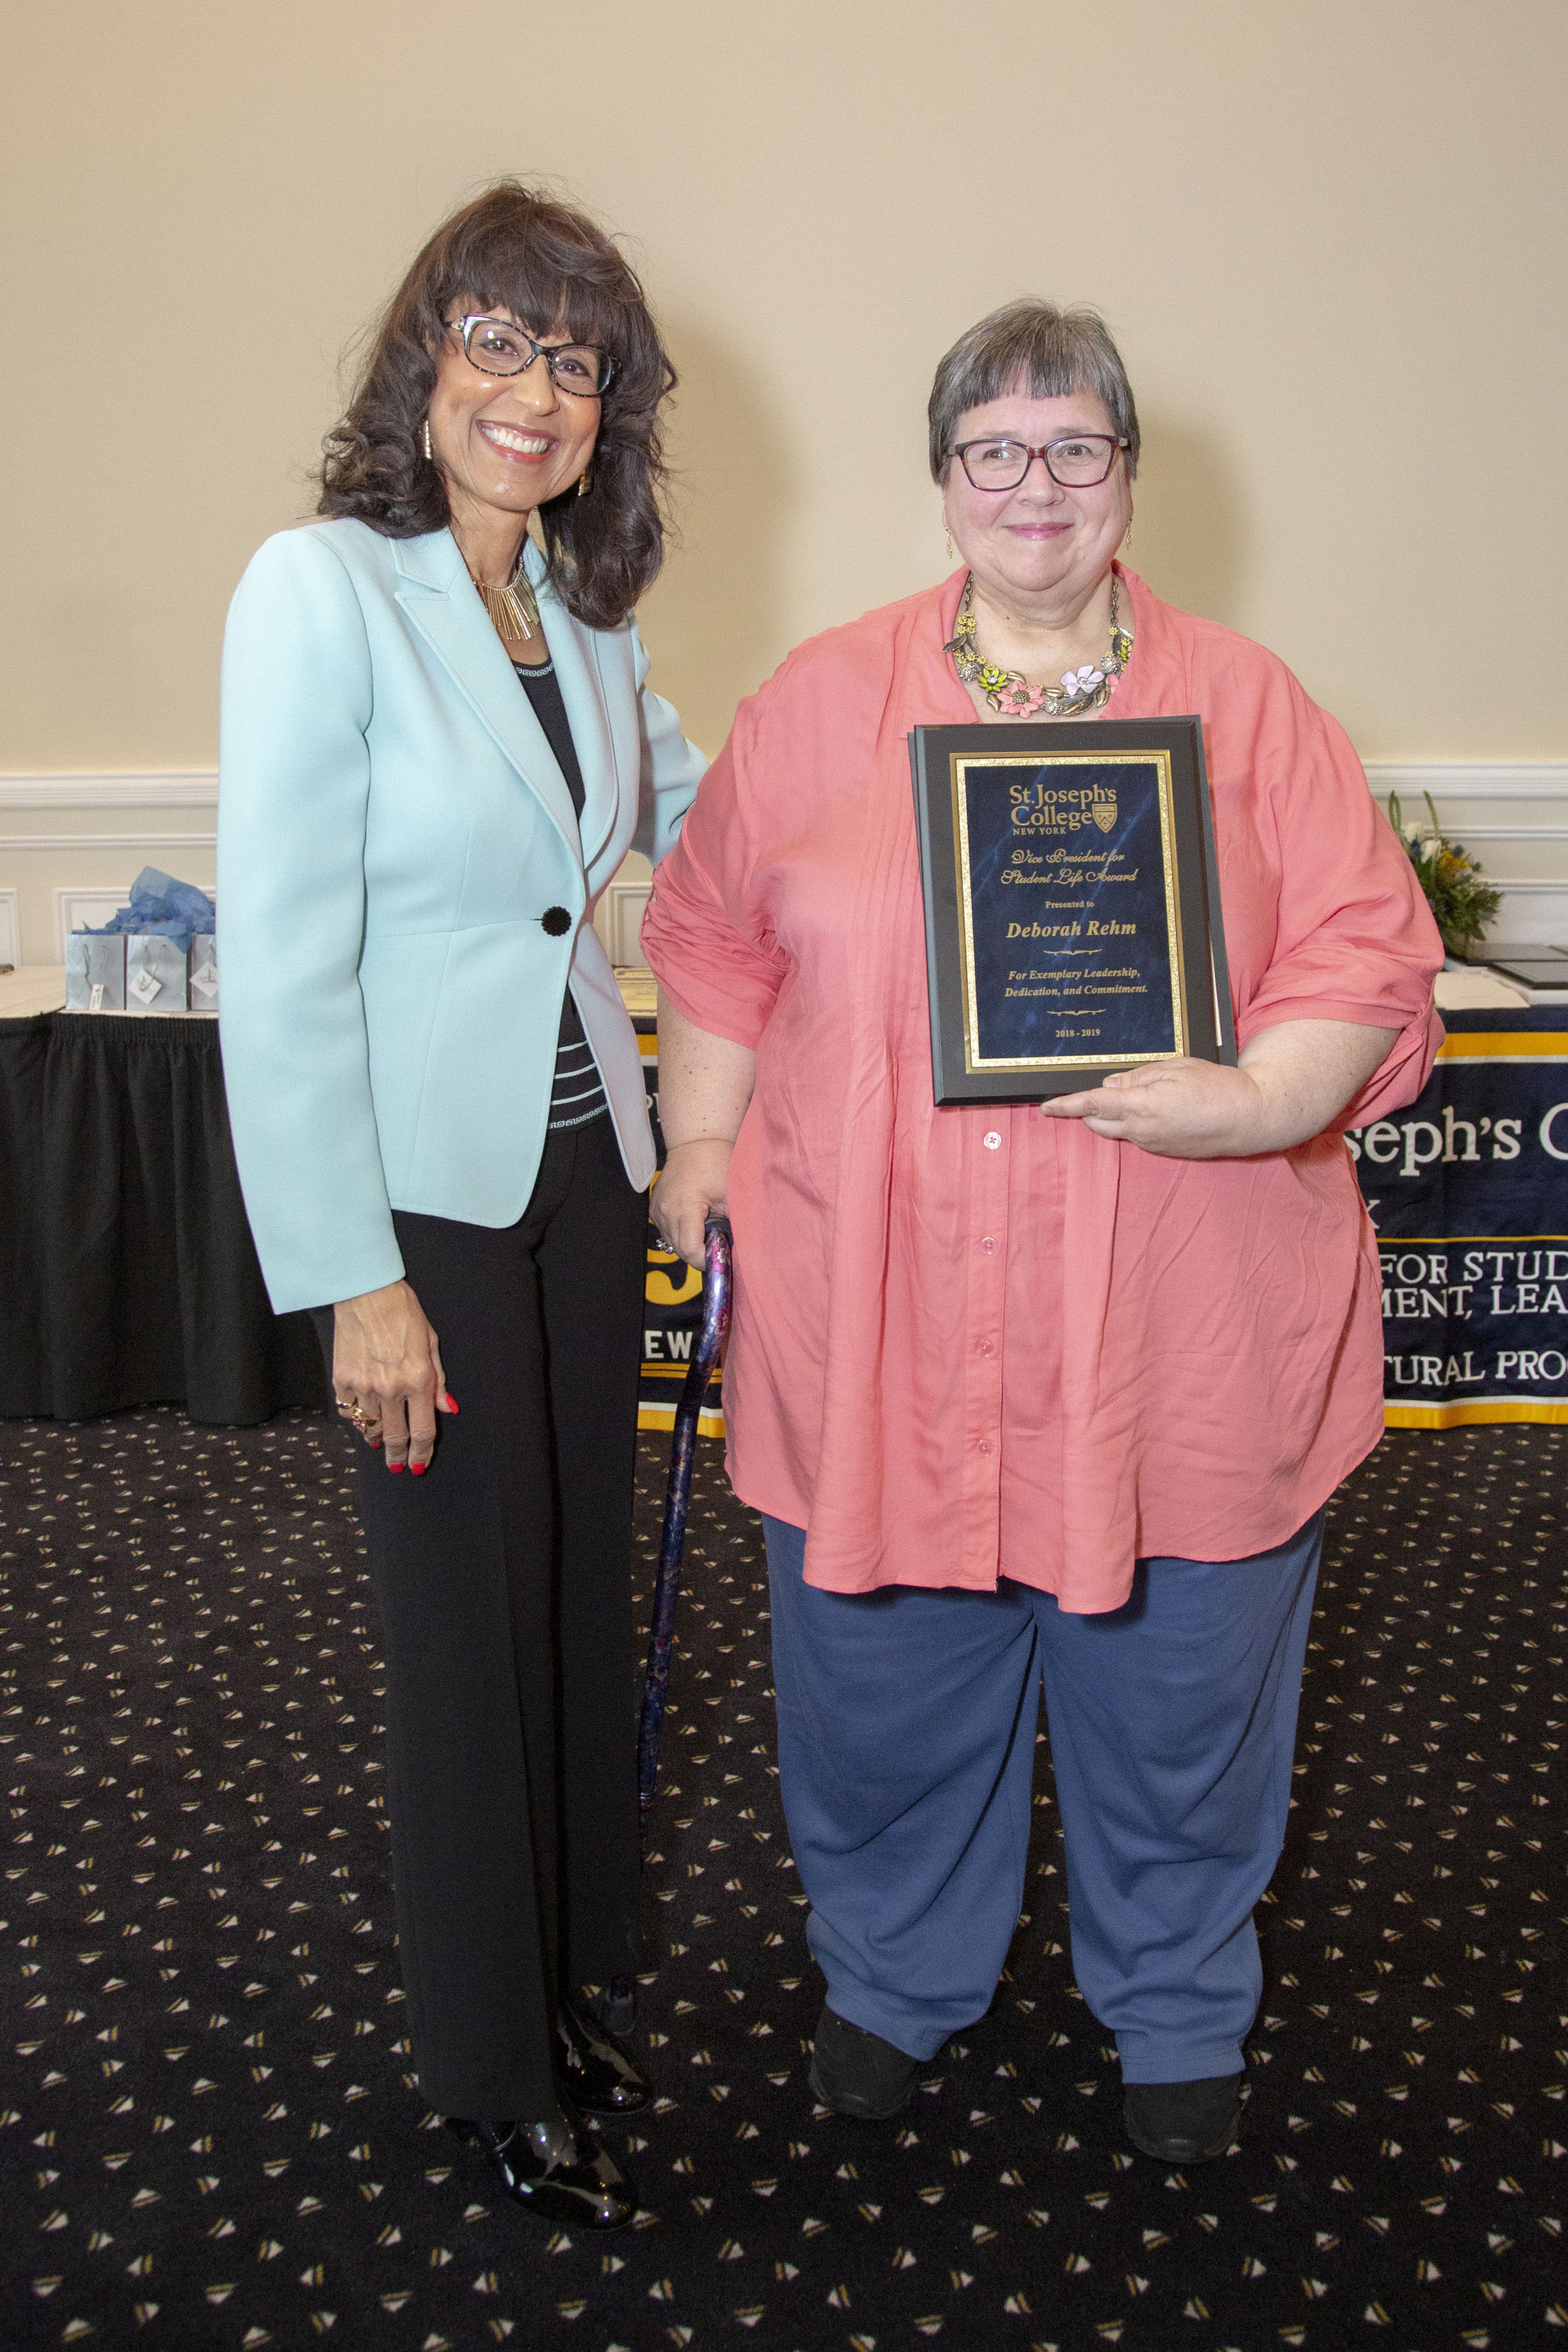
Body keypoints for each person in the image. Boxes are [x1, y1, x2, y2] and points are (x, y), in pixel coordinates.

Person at [642, 301, 1442, 2166]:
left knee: (1185, 1689)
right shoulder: (821, 703)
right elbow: (711, 940)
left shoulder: (1250, 709)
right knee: (882, 1690)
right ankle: (891, 1977)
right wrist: (697, 1134)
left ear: (1126, 478)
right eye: (994, 449)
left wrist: (1257, 1099)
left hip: (1180, 1299)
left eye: (1076, 446)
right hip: (881, 1307)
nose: (1036, 485)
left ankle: (1173, 1991)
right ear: (941, 484)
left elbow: (1363, 955)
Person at [218, 182, 704, 2229]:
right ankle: (495, 2067)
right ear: (425, 366)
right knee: (459, 1631)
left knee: (569, 1592)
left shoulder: (583, 628)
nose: (534, 392)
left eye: (577, 362)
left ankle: (571, 1978)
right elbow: (283, 955)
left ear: (612, 414)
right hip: (418, 1208)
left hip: (587, 1167)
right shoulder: (320, 590)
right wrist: (349, 1279)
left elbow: (703, 828)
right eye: (497, 344)